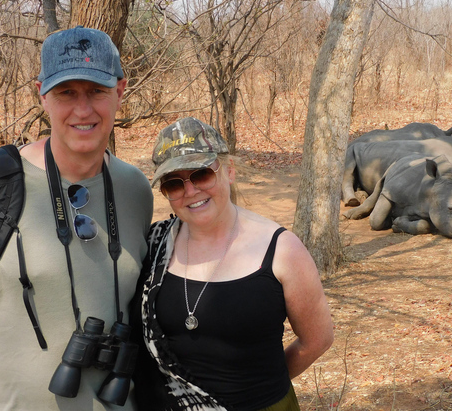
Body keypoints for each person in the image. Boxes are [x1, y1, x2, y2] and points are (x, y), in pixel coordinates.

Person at [0, 26, 154, 410]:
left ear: (120, 91)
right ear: (41, 94)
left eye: (97, 91)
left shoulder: (135, 189)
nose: (83, 109)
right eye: (65, 93)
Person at [134, 117, 334, 410]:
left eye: (202, 175)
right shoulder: (155, 245)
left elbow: (317, 340)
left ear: (229, 171)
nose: (190, 191)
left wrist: (257, 391)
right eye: (174, 183)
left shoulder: (281, 250)